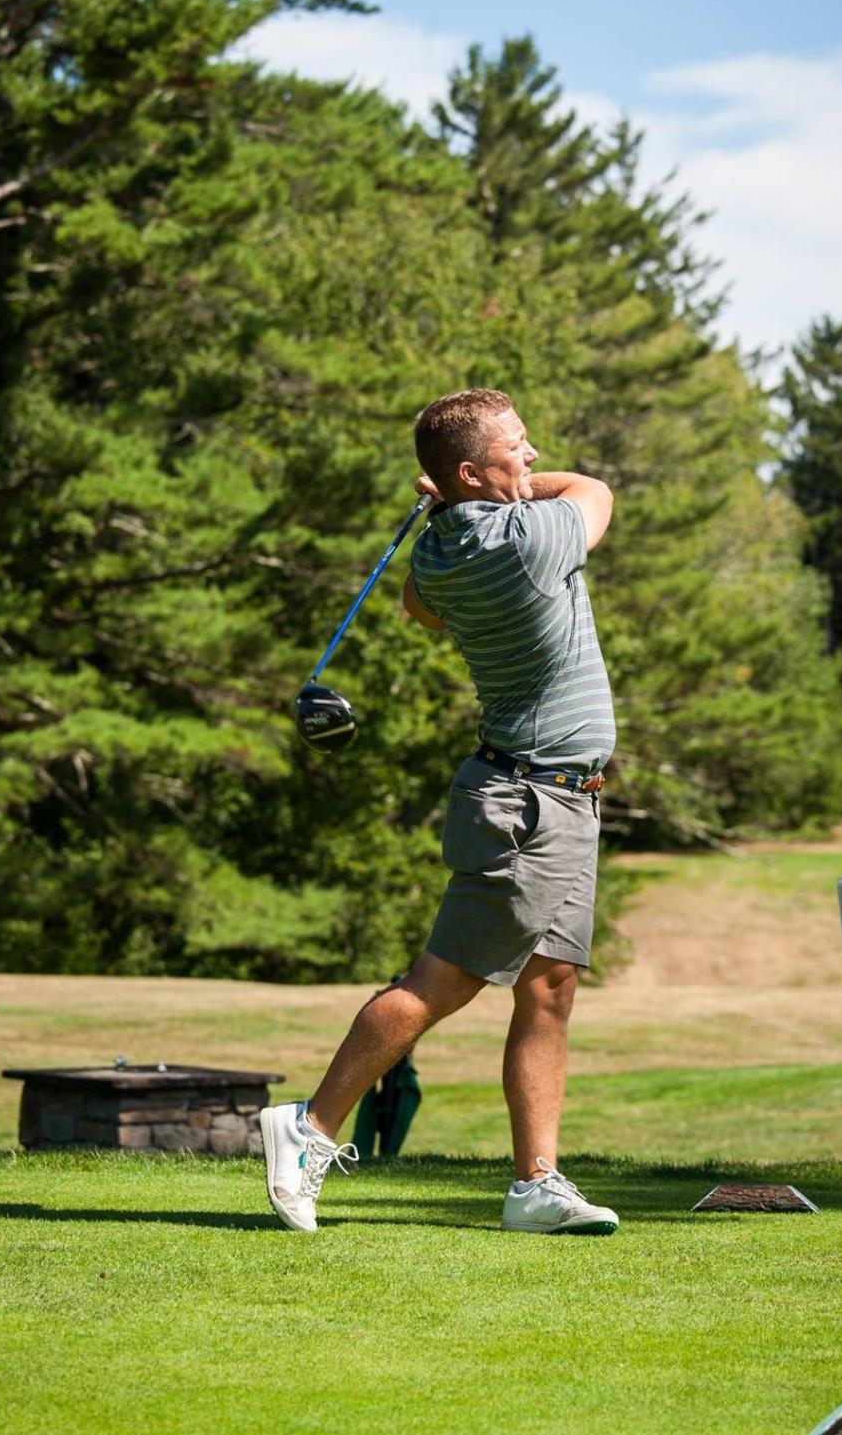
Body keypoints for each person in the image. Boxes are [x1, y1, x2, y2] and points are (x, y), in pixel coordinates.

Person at [259, 388, 619, 1234]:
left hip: (558, 796)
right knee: (442, 982)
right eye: (517, 449)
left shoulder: (445, 553)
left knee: (550, 985)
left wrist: (449, 503)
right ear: (470, 471)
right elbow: (595, 489)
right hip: (528, 803)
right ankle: (308, 1127)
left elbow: (418, 609)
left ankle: (536, 1183)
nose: (532, 459)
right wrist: (473, 495)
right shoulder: (530, 542)